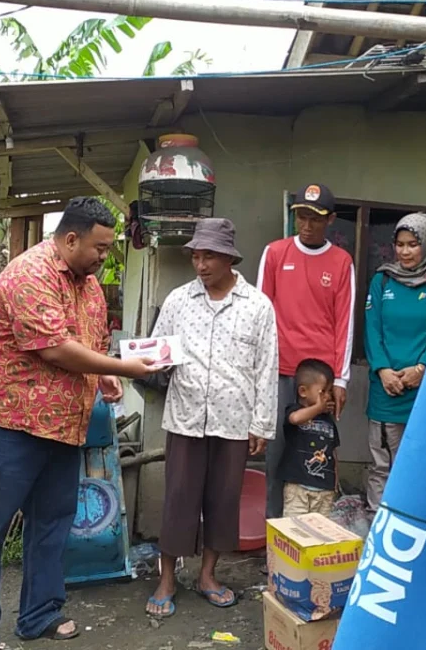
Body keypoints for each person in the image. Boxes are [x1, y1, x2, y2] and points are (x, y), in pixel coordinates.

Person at [0, 197, 159, 650]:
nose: (105, 257)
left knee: (53, 523)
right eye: (100, 248)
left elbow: (89, 343)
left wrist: (102, 373)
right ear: (70, 239)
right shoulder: (30, 274)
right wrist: (126, 368)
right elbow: (56, 349)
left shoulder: (90, 287)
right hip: (10, 424)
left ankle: (39, 613)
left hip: (64, 427)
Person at [143, 218, 277, 617]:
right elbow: (159, 353)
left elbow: (267, 367)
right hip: (185, 416)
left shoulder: (257, 306)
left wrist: (262, 423)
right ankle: (167, 579)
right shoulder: (178, 301)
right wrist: (149, 362)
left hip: (234, 420)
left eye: (209, 257)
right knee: (179, 499)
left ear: (229, 258)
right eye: (196, 256)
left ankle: (208, 576)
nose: (200, 265)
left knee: (222, 501)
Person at [257, 183, 355, 519]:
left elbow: (345, 322)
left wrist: (340, 380)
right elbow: (261, 313)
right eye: (301, 216)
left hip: (320, 380)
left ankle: (313, 538)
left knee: (318, 459)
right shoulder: (274, 253)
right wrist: (260, 372)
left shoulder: (342, 262)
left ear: (331, 220)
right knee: (278, 459)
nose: (307, 224)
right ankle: (276, 539)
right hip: (281, 371)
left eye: (315, 218)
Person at [363, 213, 426, 517]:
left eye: (413, 245)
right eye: (400, 244)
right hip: (386, 389)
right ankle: (380, 530)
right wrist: (383, 370)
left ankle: (415, 525)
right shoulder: (383, 279)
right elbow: (372, 328)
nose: (404, 252)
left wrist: (422, 368)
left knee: (423, 462)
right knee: (383, 465)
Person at [280, 359, 341, 518]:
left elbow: (332, 451)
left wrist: (334, 480)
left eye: (330, 391)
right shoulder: (294, 410)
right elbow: (295, 419)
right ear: (303, 391)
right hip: (298, 488)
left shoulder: (327, 420)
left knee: (320, 534)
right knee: (294, 531)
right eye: (324, 391)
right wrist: (317, 408)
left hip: (324, 490)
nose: (328, 396)